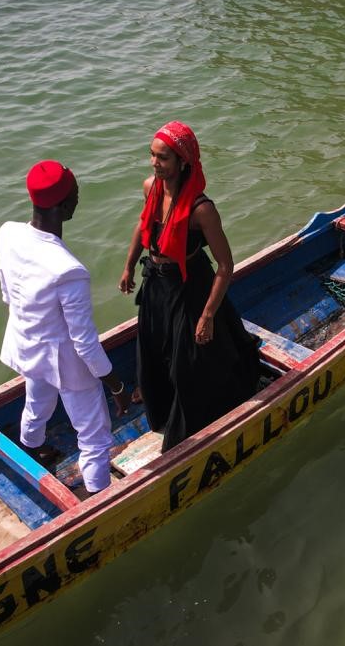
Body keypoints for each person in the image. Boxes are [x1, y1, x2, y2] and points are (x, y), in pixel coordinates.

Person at [118, 121, 260, 452]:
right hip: (156, 282)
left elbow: (226, 265)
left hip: (189, 288)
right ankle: (163, 407)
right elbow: (143, 230)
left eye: (163, 158)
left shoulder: (202, 209)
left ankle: (191, 433)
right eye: (152, 155)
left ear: (183, 161)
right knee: (154, 350)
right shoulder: (150, 187)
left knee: (188, 364)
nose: (155, 163)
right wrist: (128, 267)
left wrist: (208, 315)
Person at [0, 160, 131, 494]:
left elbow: (6, 293)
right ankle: (98, 493)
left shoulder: (8, 233)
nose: (77, 200)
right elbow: (84, 343)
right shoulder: (69, 270)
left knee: (37, 401)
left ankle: (31, 448)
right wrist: (115, 384)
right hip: (66, 362)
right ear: (63, 207)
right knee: (94, 433)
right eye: (75, 195)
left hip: (26, 344)